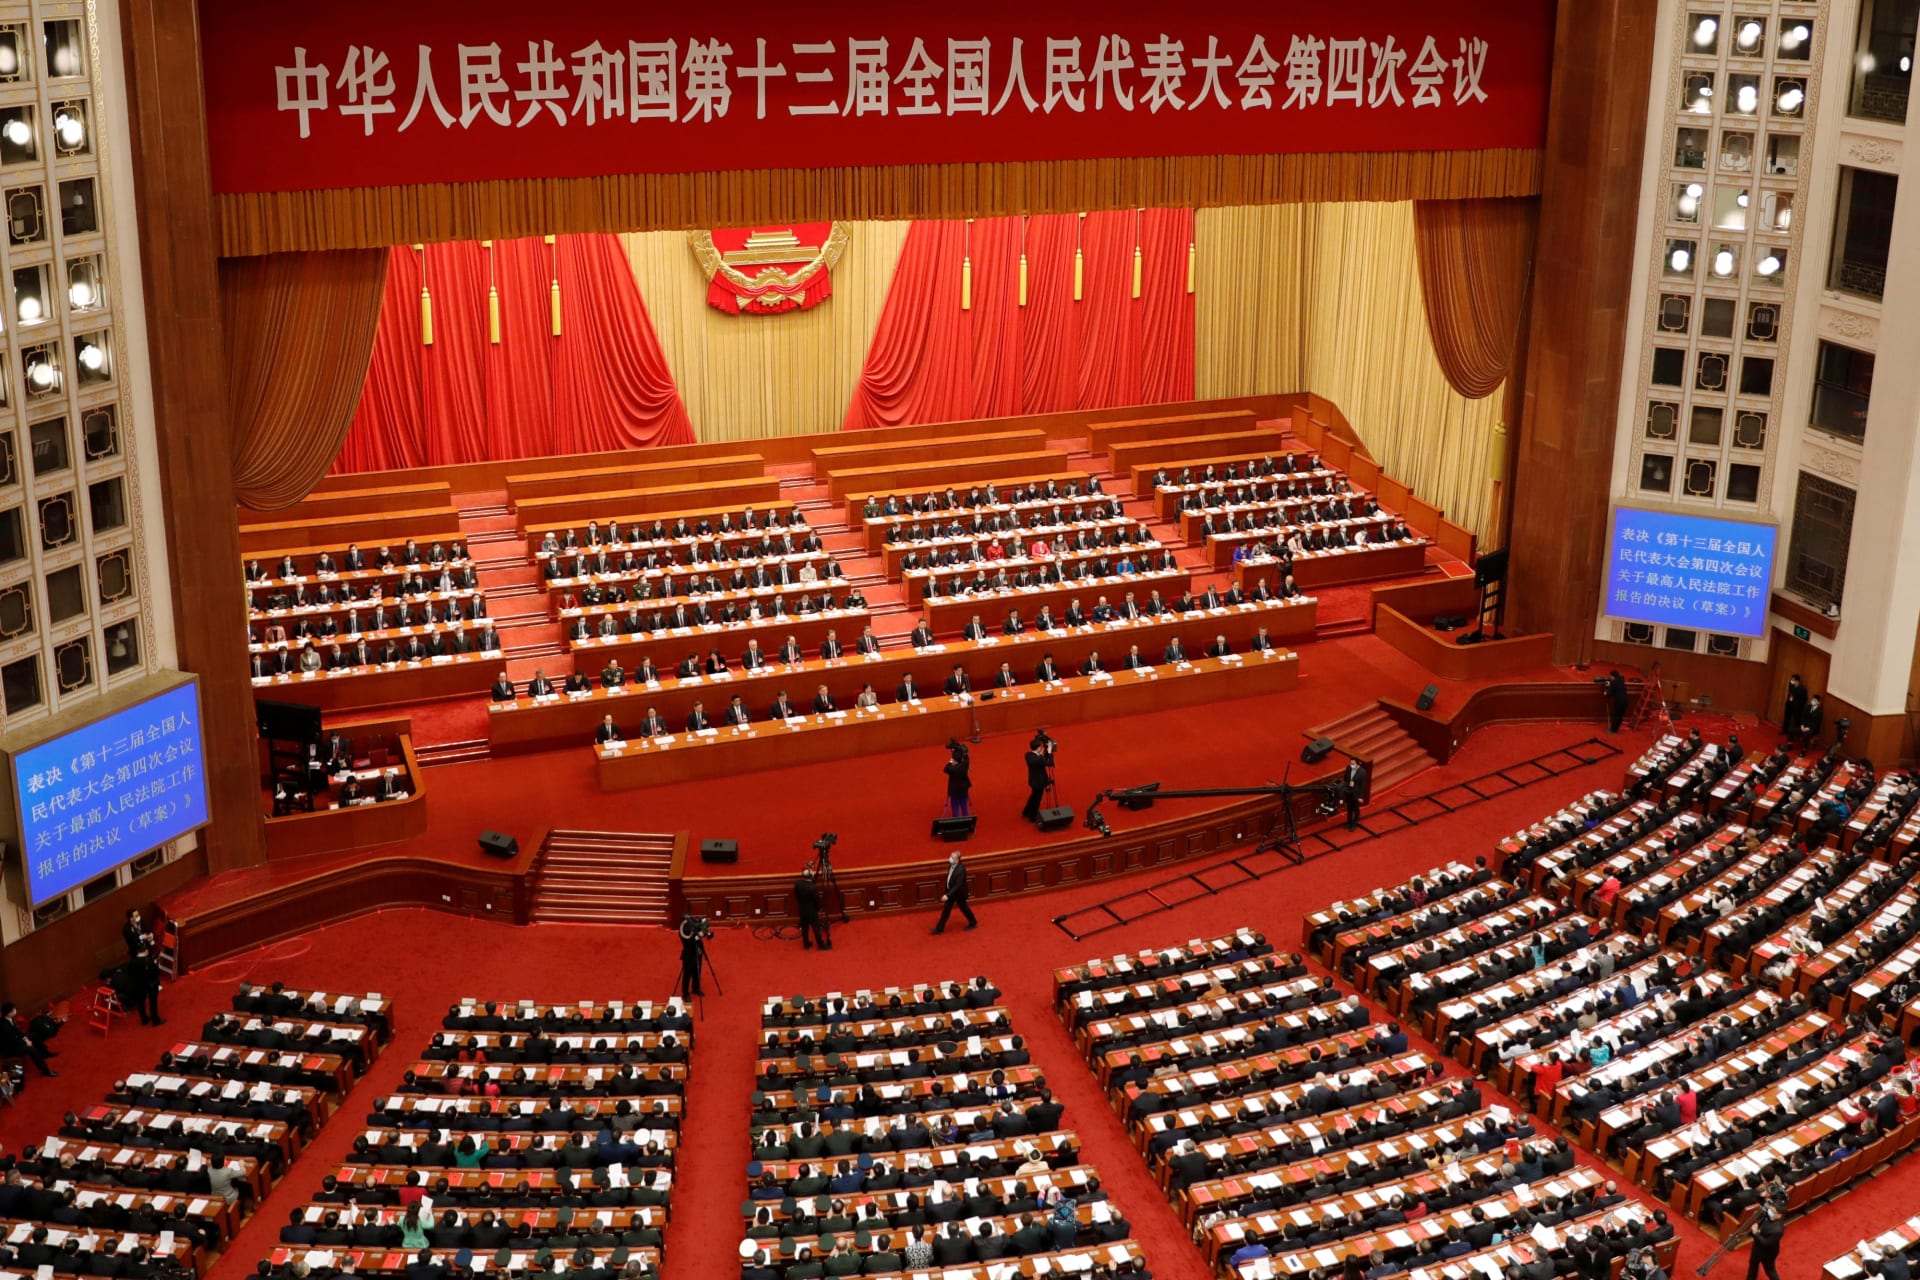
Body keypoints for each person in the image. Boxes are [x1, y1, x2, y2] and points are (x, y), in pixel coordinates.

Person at [122, 909, 163, 1025]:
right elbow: (132, 939)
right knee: (147, 998)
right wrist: (142, 938)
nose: (138, 917)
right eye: (135, 916)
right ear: (130, 918)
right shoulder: (127, 929)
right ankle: (151, 1019)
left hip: (140, 974)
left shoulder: (142, 923)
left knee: (141, 996)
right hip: (148, 979)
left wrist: (149, 937)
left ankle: (144, 1018)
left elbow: (148, 931)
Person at [931, 850, 977, 934]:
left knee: (964, 908)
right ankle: (939, 928)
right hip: (951, 893)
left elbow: (958, 885)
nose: (950, 859)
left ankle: (973, 922)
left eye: (952, 857)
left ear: (957, 860)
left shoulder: (961, 870)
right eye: (950, 856)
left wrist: (947, 895)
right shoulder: (951, 865)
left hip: (959, 893)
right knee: (946, 910)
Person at [1745, 1200, 1784, 1280]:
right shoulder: (1769, 1216)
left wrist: (1756, 1233)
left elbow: (1766, 1243)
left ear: (1779, 1215)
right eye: (1770, 1209)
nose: (1770, 1212)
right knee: (1753, 1265)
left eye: (1773, 1211)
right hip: (1757, 1247)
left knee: (1769, 1270)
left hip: (1768, 1253)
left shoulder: (1777, 1230)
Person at [794, 865, 830, 951]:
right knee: (816, 928)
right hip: (812, 911)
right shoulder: (813, 887)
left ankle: (806, 944)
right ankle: (821, 945)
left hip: (802, 909)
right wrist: (818, 909)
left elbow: (797, 895)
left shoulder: (797, 883)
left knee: (805, 927)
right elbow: (816, 900)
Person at [1022, 734, 1053, 824]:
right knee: (1037, 799)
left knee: (1033, 796)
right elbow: (1049, 763)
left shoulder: (1028, 755)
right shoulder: (1039, 759)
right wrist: (1050, 752)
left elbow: (1039, 759)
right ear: (1039, 748)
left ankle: (1026, 811)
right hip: (1039, 782)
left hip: (1033, 781)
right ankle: (1032, 816)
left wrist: (1041, 754)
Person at [944, 741, 972, 817]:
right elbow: (966, 755)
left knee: (955, 809)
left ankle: (956, 821)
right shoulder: (966, 762)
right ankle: (965, 821)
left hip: (954, 791)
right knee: (964, 808)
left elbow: (946, 769)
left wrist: (951, 761)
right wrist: (958, 747)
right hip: (963, 789)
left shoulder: (952, 769)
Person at [1342, 757, 1369, 831]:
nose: (1351, 765)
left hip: (1356, 793)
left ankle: (1354, 824)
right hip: (1348, 792)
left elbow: (1362, 786)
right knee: (1349, 808)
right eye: (1350, 763)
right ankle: (1349, 823)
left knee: (1356, 809)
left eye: (1353, 764)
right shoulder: (1348, 768)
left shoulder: (1362, 772)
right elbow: (1345, 779)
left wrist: (1360, 797)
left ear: (1357, 764)